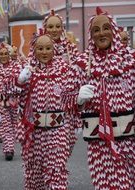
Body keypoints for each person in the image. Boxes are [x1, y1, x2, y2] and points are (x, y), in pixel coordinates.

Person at [62, 7, 135, 189]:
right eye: (96, 30)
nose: (101, 33)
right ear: (91, 35)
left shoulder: (130, 60)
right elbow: (64, 99)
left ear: (114, 30)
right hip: (98, 143)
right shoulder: (81, 63)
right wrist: (77, 98)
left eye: (105, 28)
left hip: (129, 141)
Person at [16, 29, 70, 190]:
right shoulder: (28, 71)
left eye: (48, 48)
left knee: (56, 172)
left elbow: (72, 96)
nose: (44, 52)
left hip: (57, 130)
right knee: (35, 176)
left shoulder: (64, 70)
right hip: (34, 131)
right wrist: (18, 81)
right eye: (40, 48)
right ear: (34, 50)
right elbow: (7, 97)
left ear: (54, 50)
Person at [43, 9, 81, 154]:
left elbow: (78, 71)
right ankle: (55, 170)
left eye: (57, 26)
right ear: (45, 28)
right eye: (51, 26)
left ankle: (59, 167)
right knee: (53, 144)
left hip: (68, 101)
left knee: (69, 142)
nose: (54, 30)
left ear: (62, 28)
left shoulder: (70, 48)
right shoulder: (39, 48)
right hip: (47, 101)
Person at [0, 43, 22, 161]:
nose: (3, 56)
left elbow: (22, 82)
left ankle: (15, 144)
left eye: (5, 54)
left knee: (15, 124)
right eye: (1, 54)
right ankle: (9, 149)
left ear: (9, 54)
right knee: (5, 124)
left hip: (15, 98)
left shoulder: (16, 66)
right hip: (1, 100)